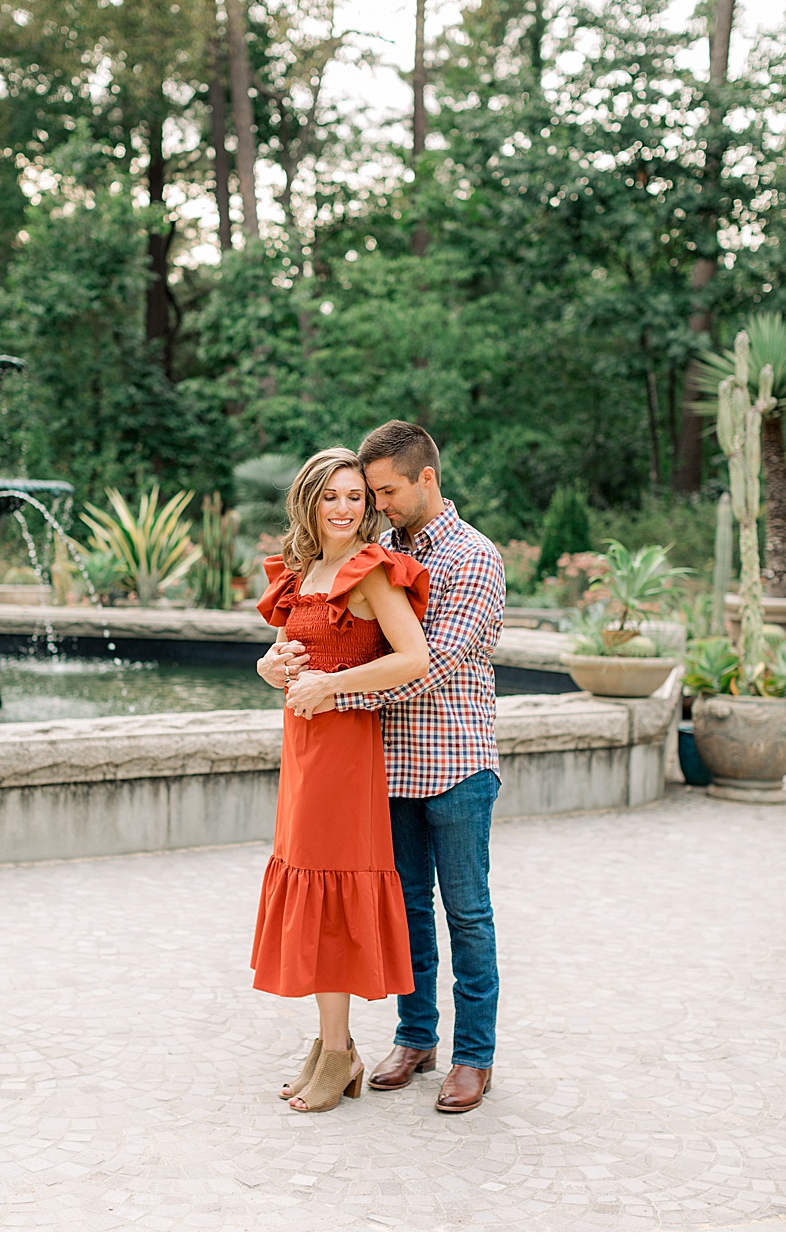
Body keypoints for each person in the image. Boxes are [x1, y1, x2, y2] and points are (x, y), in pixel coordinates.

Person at [279, 420, 506, 1115]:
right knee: (406, 911)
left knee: (466, 912)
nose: (374, 504)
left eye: (385, 491)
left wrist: (336, 687)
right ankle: (415, 1038)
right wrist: (296, 668)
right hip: (391, 766)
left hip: (457, 760)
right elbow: (326, 626)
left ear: (426, 479)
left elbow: (435, 662)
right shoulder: (380, 551)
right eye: (366, 493)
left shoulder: (474, 557)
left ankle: (473, 1056)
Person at [250, 447, 431, 1113]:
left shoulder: (372, 572)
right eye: (333, 495)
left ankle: (337, 1054)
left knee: (329, 895)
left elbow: (413, 657)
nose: (346, 508)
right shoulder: (306, 571)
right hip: (302, 749)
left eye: (356, 496)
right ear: (309, 500)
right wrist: (272, 669)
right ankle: (332, 1044)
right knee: (307, 879)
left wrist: (334, 685)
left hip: (345, 753)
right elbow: (288, 653)